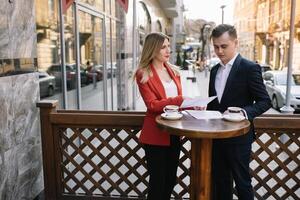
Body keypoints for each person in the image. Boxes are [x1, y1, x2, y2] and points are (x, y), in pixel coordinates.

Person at [207, 24, 271, 200]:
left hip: (239, 137)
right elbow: (213, 105)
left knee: (242, 183)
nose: (219, 51)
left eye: (224, 46)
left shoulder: (249, 68)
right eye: (216, 46)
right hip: (216, 138)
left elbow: (265, 101)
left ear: (235, 43)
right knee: (220, 182)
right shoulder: (214, 70)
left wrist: (242, 113)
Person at [134, 32, 184, 200]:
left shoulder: (174, 71)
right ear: (153, 49)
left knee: (170, 180)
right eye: (163, 47)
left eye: (168, 46)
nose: (168, 50)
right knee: (157, 181)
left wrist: (190, 105)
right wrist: (179, 100)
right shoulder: (143, 73)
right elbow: (152, 105)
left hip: (174, 133)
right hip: (155, 134)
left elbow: (178, 104)